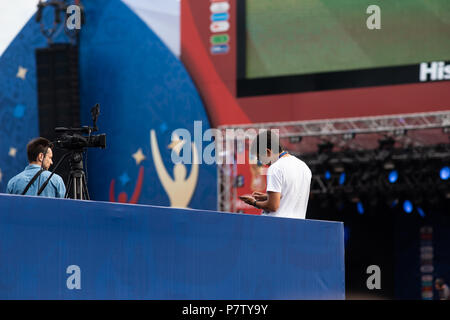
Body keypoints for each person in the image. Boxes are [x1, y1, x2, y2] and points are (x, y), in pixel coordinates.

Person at [240, 130, 312, 219]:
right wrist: (269, 197)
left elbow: (272, 206)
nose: (262, 163)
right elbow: (291, 194)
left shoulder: (275, 168)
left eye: (260, 158)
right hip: (298, 227)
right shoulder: (304, 166)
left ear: (267, 152)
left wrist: (253, 202)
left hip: (276, 226)